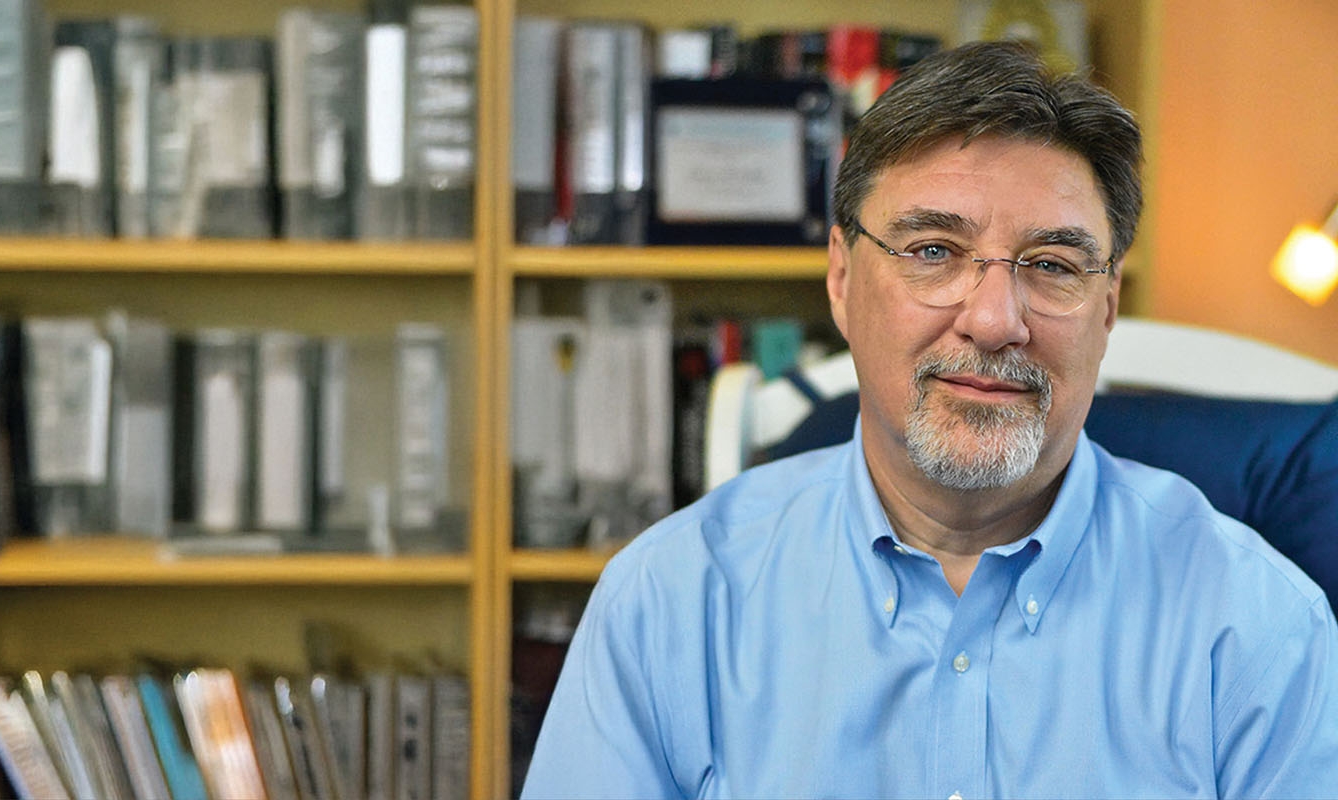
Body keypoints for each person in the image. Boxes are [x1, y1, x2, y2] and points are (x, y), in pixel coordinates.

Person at [520, 40, 1338, 799]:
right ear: (841, 279)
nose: (992, 320)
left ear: (1108, 309)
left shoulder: (1260, 626)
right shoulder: (673, 598)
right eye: (935, 251)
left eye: (1052, 266)